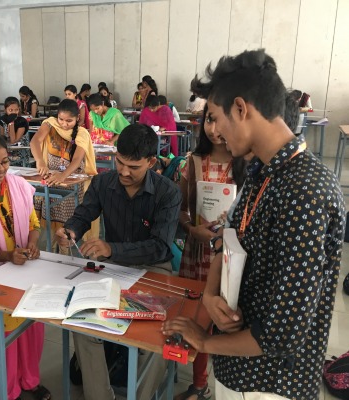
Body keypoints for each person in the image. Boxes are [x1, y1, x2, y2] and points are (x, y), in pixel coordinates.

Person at [162, 49, 345, 400]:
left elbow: (284, 333)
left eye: (216, 118)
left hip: (269, 383)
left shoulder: (304, 191)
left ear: (241, 109)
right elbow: (228, 235)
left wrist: (204, 341)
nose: (215, 131)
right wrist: (211, 294)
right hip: (237, 368)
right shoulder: (263, 171)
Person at [55, 123, 181, 400]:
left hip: (152, 268)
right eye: (120, 162)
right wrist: (71, 230)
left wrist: (111, 249)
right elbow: (84, 214)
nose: (124, 172)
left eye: (133, 167)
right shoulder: (103, 183)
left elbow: (160, 247)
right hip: (111, 268)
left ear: (151, 162)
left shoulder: (168, 192)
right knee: (83, 324)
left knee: (159, 333)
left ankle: (142, 396)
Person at [0, 133, 51, 400]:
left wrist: (33, 244)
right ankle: (10, 389)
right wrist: (6, 256)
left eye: (5, 161)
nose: (0, 169)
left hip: (25, 271)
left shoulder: (17, 185)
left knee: (30, 329)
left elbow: (34, 224)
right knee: (4, 335)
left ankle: (31, 380)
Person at [175, 104, 246, 400]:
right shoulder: (192, 162)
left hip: (232, 257)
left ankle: (230, 387)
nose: (214, 130)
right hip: (197, 253)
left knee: (228, 320)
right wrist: (192, 229)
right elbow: (181, 210)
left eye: (221, 121)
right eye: (209, 120)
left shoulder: (246, 163)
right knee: (198, 318)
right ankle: (199, 383)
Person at [30, 99, 97, 251]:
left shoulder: (82, 133)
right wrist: (40, 161)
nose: (64, 124)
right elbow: (35, 141)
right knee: (49, 214)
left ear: (77, 119)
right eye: (61, 119)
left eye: (69, 121)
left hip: (72, 180)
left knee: (68, 221)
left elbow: (77, 160)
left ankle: (65, 250)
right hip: (52, 177)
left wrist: (63, 175)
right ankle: (52, 250)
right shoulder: (50, 124)